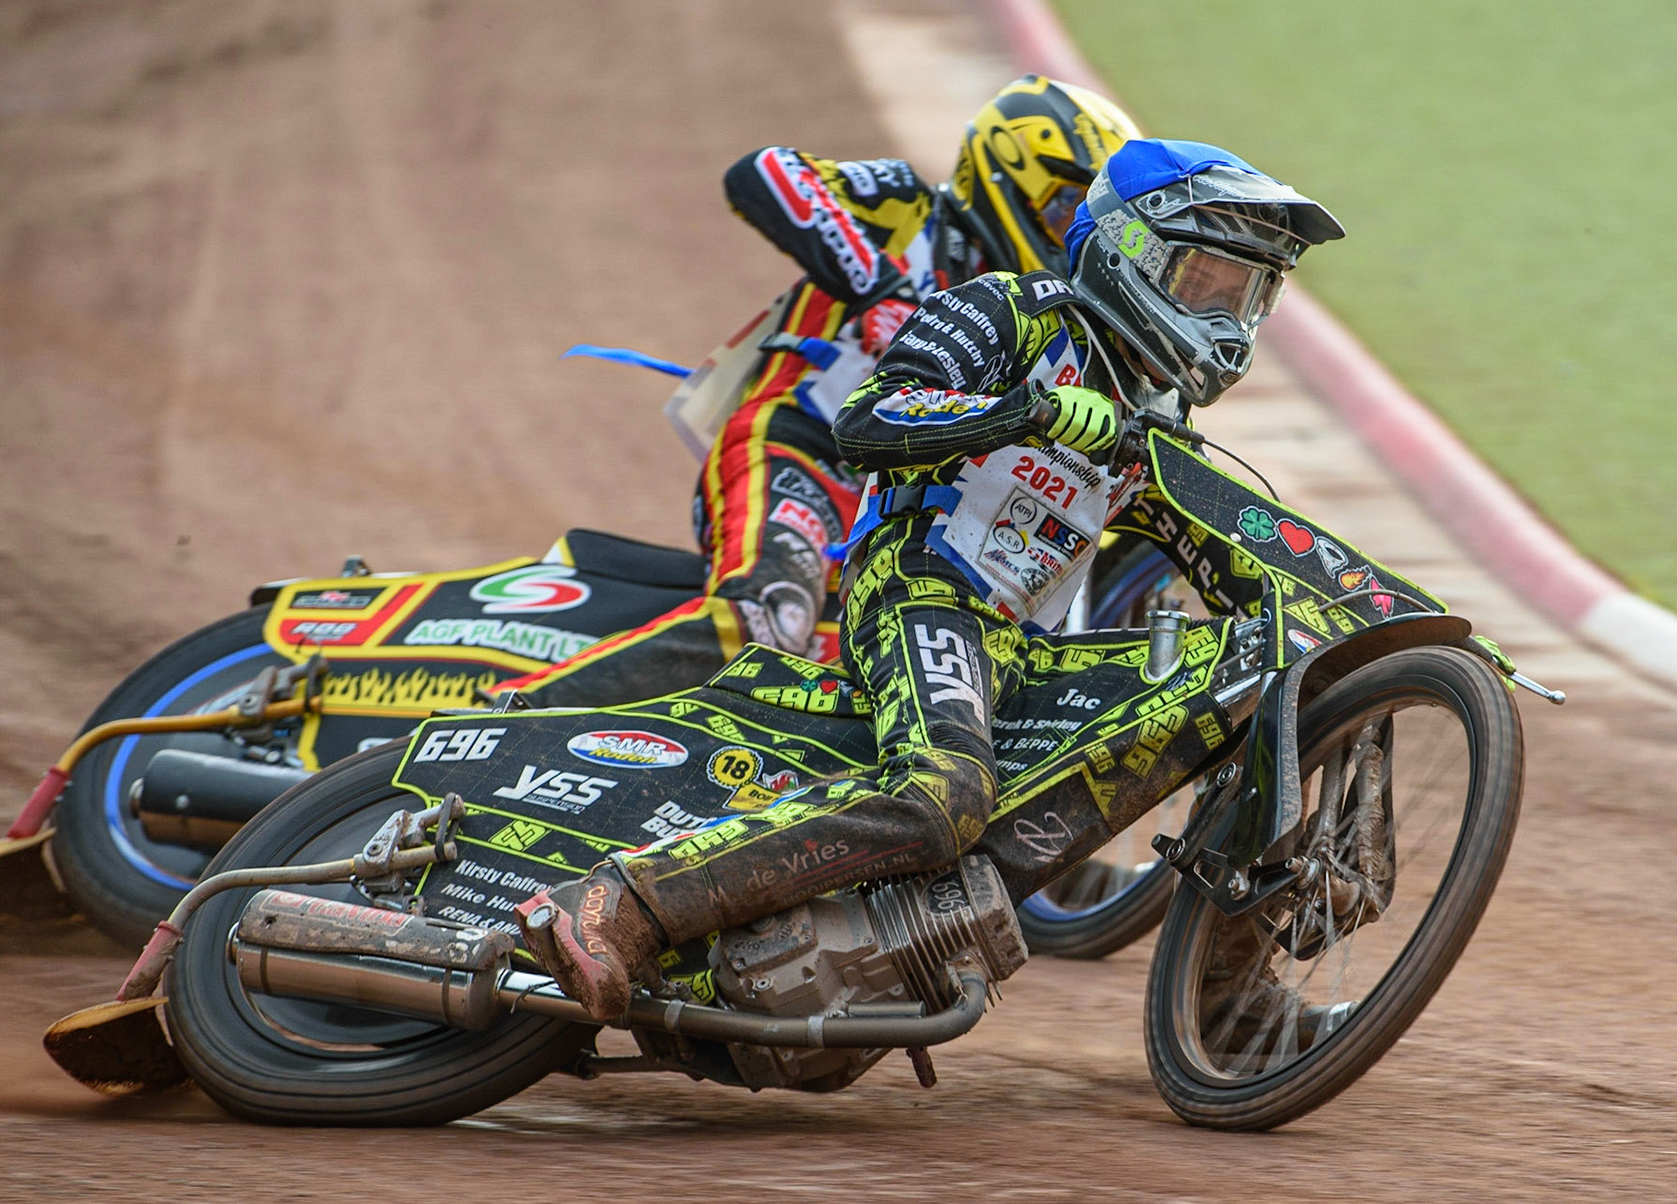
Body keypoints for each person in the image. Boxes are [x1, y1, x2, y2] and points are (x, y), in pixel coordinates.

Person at [517, 137, 1345, 1022]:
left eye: (1251, 295)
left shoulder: (1159, 426)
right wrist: (1022, 410)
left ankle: (1226, 991)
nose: (1227, 317)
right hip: (919, 586)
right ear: (1136, 250)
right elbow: (872, 418)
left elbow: (1234, 566)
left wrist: (1346, 627)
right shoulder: (1016, 311)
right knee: (940, 795)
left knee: (1254, 684)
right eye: (1211, 284)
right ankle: (620, 904)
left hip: (1023, 645)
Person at [493, 75, 1141, 709]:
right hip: (800, 446)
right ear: (1001, 178)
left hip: (909, 504)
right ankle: (503, 718)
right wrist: (878, 287)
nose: (1069, 231)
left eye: (1086, 218)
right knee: (768, 619)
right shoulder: (906, 204)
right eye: (1062, 208)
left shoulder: (1056, 318)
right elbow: (765, 172)